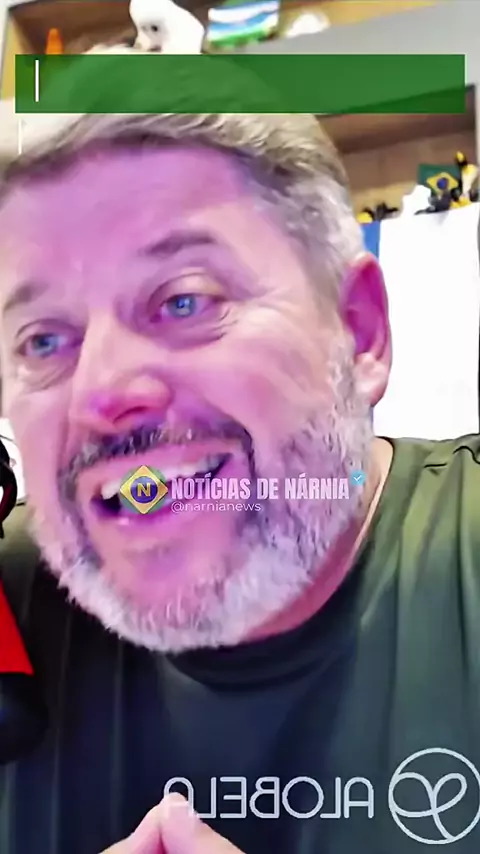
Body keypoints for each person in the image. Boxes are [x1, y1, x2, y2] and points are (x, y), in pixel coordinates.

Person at [0, 96, 480, 854]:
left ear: (358, 332)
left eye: (184, 300)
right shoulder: (15, 598)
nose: (102, 391)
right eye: (43, 341)